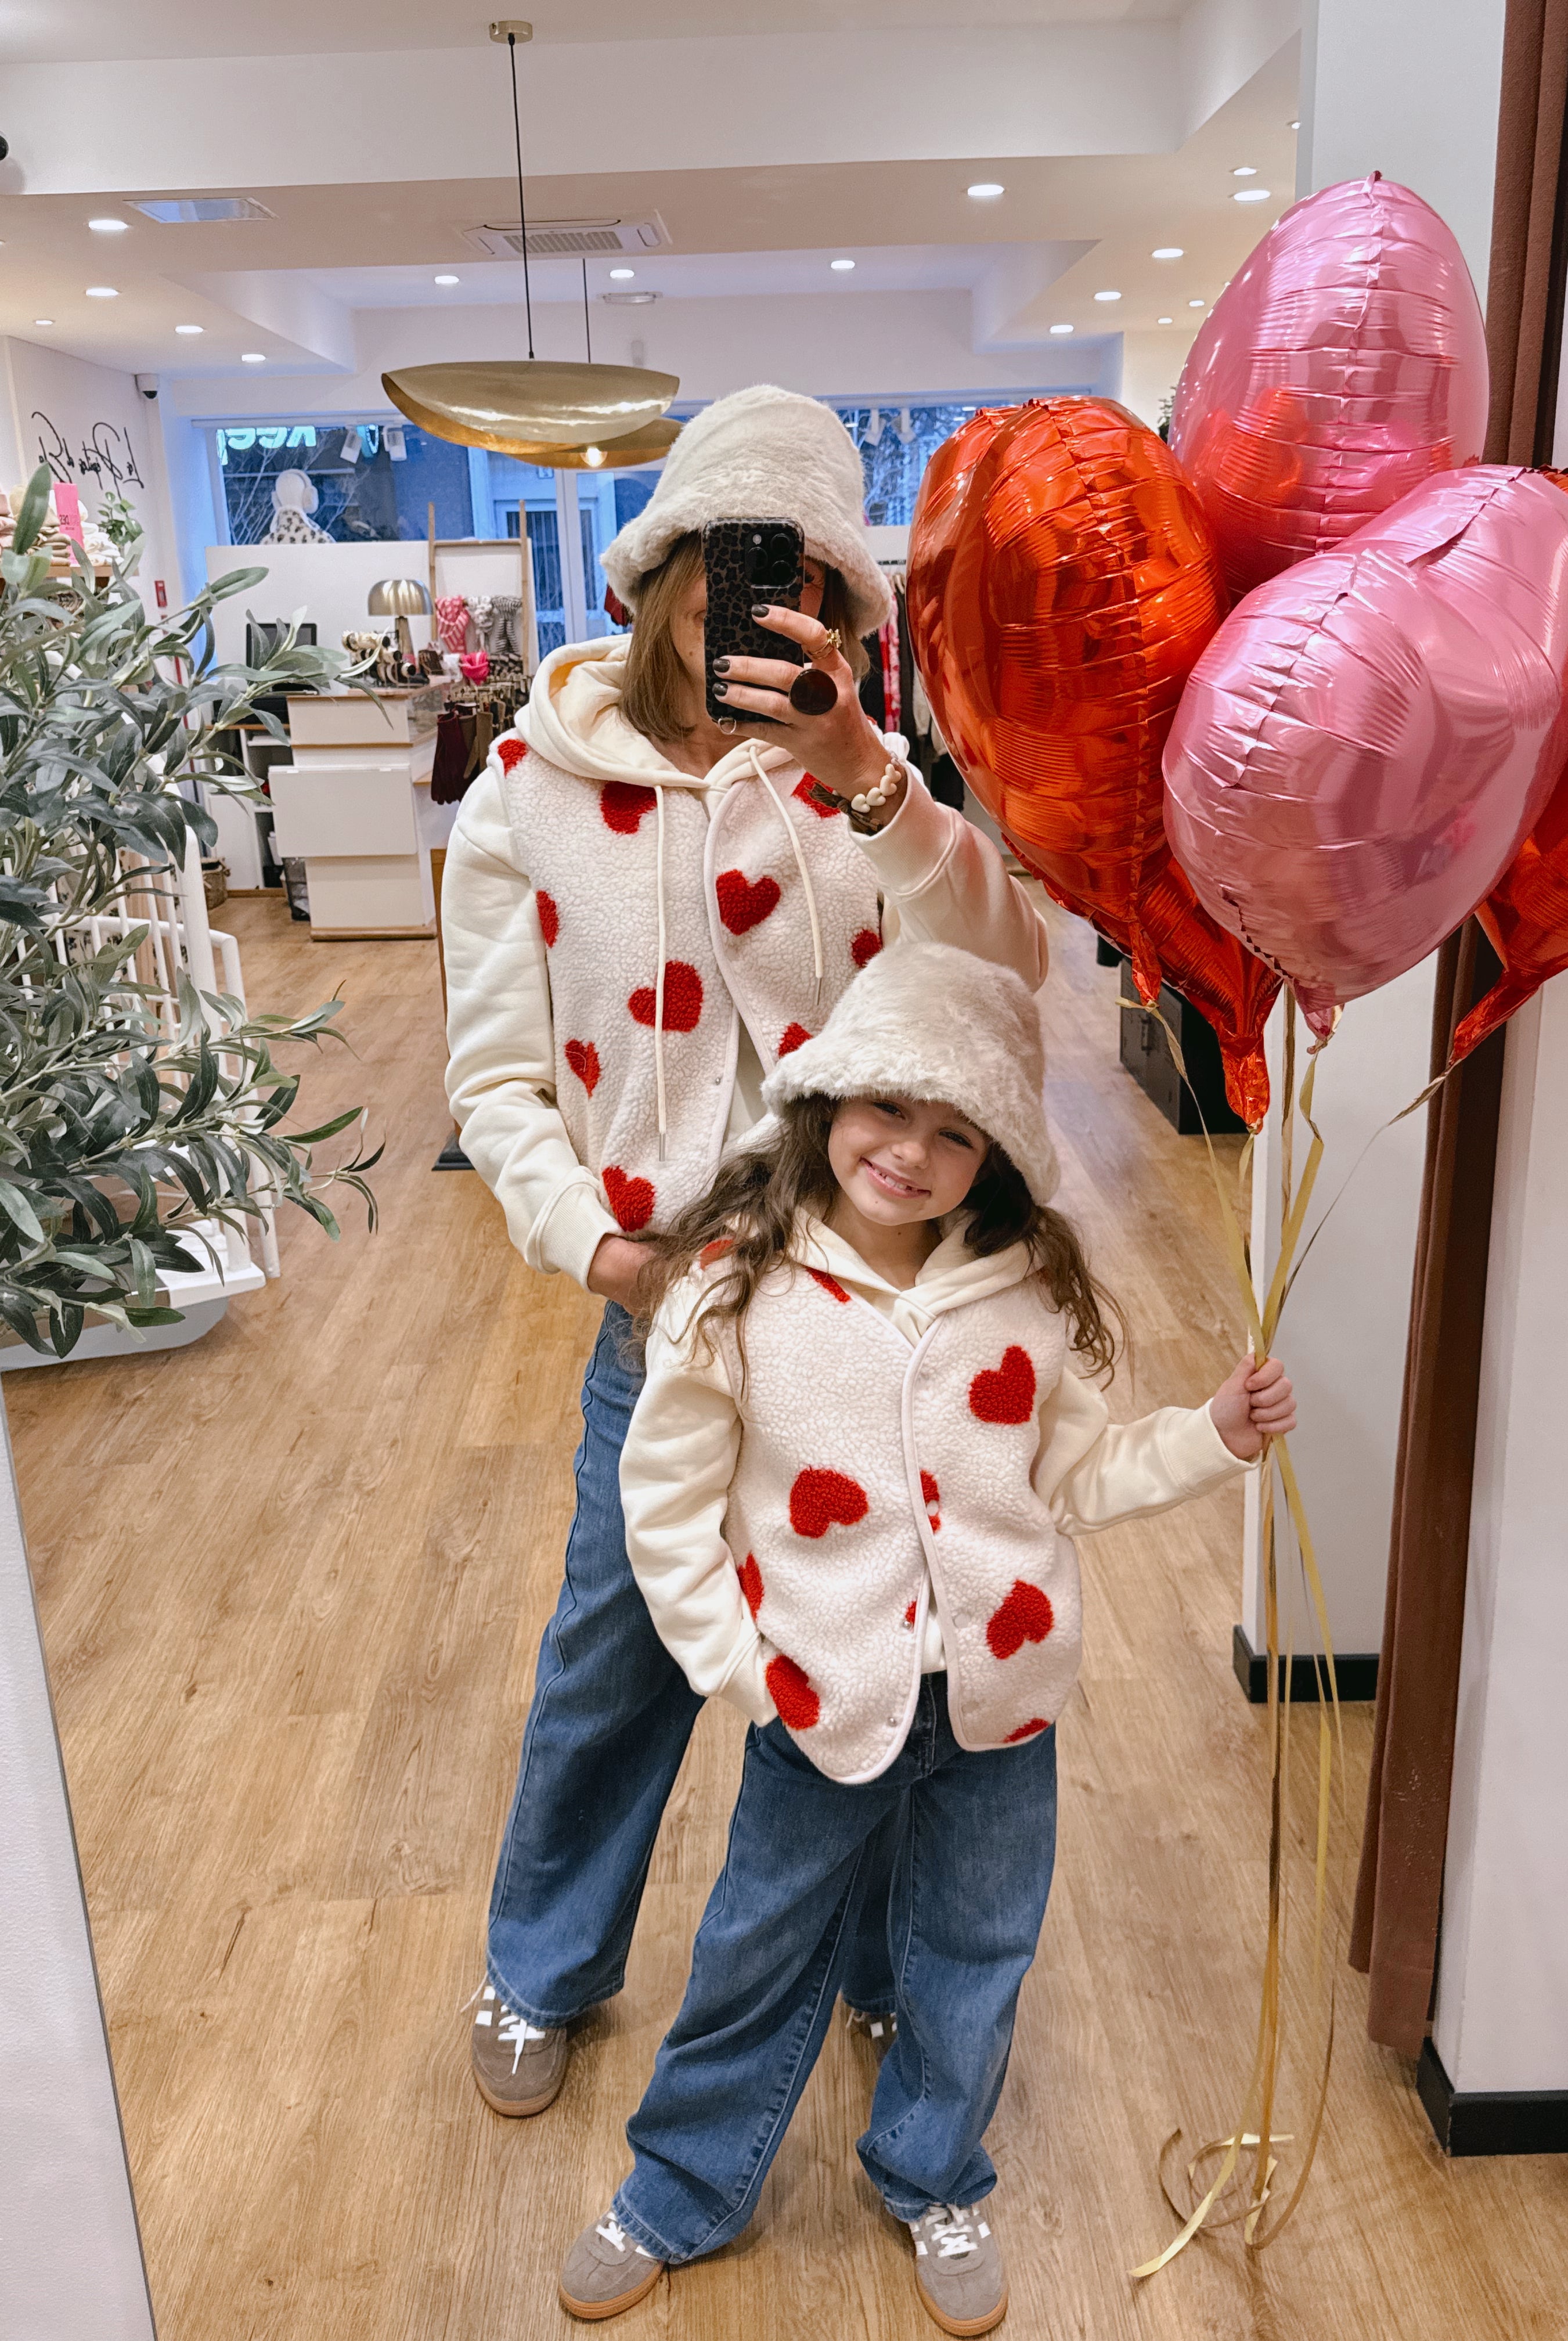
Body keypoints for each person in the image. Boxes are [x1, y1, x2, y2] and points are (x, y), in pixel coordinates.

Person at [442, 386, 1052, 2120]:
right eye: (724, 563)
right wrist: (605, 1256)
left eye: (805, 583)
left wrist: (865, 781)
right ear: (656, 579)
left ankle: (879, 1969)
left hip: (873, 1309)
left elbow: (1004, 971)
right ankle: (542, 1963)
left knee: (882, 1649)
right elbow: (495, 1079)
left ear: (845, 611)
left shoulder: (862, 783)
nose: (760, 605)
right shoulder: (526, 793)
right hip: (663, 1308)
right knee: (614, 1656)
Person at [558, 942, 1295, 2332]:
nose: (909, 1153)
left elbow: (1073, 1475)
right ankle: (677, 2188)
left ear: (995, 1156)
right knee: (753, 1952)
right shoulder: (734, 1290)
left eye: (955, 1133)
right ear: (828, 1100)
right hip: (818, 1700)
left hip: (1001, 1708)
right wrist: (740, 1671)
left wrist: (1209, 1437)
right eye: (888, 1109)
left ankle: (933, 2173)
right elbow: (663, 1508)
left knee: (974, 1958)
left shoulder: (1023, 1294)